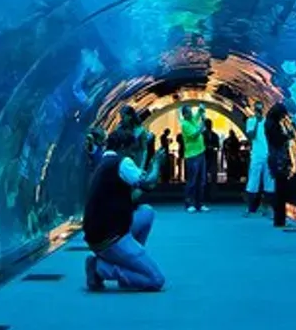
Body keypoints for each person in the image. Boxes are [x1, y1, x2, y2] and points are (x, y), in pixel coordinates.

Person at [83, 135, 165, 292]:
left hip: (100, 232)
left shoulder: (104, 162)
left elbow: (133, 195)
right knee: (156, 280)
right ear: (122, 147)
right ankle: (100, 269)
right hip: (111, 237)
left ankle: (129, 263)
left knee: (146, 212)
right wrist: (156, 164)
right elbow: (148, 183)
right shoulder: (122, 163)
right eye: (132, 149)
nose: (133, 154)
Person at [263, 103, 294, 227]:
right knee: (281, 190)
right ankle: (279, 220)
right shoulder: (273, 125)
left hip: (274, 160)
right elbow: (277, 141)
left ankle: (279, 219)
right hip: (278, 160)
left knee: (279, 189)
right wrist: (288, 136)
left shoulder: (269, 123)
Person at [180, 103, 209, 211]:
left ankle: (200, 204)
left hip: (201, 153)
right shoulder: (184, 124)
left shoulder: (192, 120)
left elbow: (197, 116)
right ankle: (189, 204)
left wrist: (201, 110)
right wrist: (202, 124)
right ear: (184, 114)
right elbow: (195, 134)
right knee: (192, 181)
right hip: (192, 156)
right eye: (189, 112)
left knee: (201, 180)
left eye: (191, 111)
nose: (191, 113)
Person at [245, 103, 270, 215]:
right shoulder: (250, 121)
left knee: (268, 181)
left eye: (260, 109)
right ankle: (251, 207)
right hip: (256, 155)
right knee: (253, 180)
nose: (258, 111)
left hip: (267, 155)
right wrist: (256, 122)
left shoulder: (268, 122)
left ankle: (266, 207)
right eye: (257, 109)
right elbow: (251, 136)